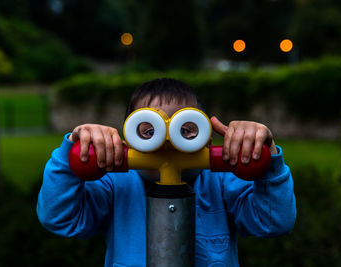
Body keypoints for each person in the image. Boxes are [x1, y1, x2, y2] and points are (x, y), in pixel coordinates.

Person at [37, 78, 296, 266]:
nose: (168, 142)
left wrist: (267, 159)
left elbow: (273, 222)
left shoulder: (221, 180)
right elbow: (59, 217)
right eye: (149, 132)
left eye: (186, 129)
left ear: (206, 138)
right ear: (127, 141)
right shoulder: (117, 183)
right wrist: (72, 155)